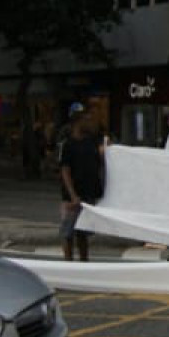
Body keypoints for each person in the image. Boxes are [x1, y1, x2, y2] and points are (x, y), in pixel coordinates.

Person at [57, 106, 107, 262]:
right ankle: (68, 262)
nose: (89, 122)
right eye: (86, 119)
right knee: (68, 233)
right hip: (73, 196)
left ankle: (84, 263)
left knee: (83, 233)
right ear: (78, 122)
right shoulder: (68, 145)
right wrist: (73, 195)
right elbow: (65, 171)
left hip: (88, 193)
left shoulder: (91, 142)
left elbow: (99, 160)